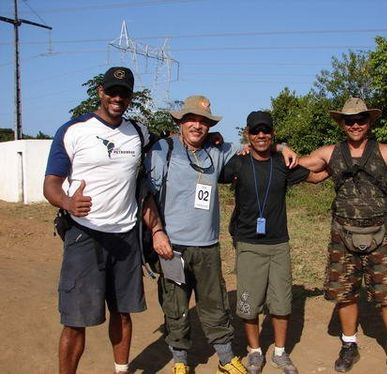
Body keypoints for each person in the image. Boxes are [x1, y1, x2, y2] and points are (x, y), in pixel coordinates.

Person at [142, 97, 297, 374]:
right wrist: (157, 233)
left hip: (207, 245)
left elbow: (259, 146)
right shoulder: (162, 150)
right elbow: (146, 196)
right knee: (175, 305)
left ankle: (226, 359)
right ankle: (180, 362)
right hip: (171, 246)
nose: (197, 125)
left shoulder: (219, 150)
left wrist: (282, 146)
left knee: (215, 305)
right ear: (180, 122)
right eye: (191, 119)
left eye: (204, 121)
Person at [298, 98, 387, 374]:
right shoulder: (330, 153)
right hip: (342, 235)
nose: (355, 125)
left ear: (370, 122)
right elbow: (297, 165)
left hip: (380, 236)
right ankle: (349, 345)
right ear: (342, 123)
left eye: (361, 120)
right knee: (345, 294)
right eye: (349, 120)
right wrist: (278, 150)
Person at [43, 66, 149, 374]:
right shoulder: (73, 130)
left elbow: (173, 140)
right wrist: (67, 202)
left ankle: (121, 370)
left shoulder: (139, 132)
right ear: (100, 92)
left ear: (130, 98)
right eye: (112, 91)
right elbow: (50, 183)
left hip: (125, 236)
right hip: (84, 236)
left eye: (124, 93)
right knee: (76, 321)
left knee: (123, 313)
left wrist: (214, 137)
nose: (117, 97)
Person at [218, 111, 327, 374]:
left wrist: (341, 161)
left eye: (266, 130)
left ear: (272, 133)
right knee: (248, 301)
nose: (261, 135)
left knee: (281, 302)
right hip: (248, 243)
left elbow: (315, 175)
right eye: (255, 131)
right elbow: (212, 167)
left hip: (278, 243)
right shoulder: (238, 162)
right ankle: (255, 352)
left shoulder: (282, 162)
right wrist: (213, 138)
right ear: (247, 134)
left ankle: (280, 353)